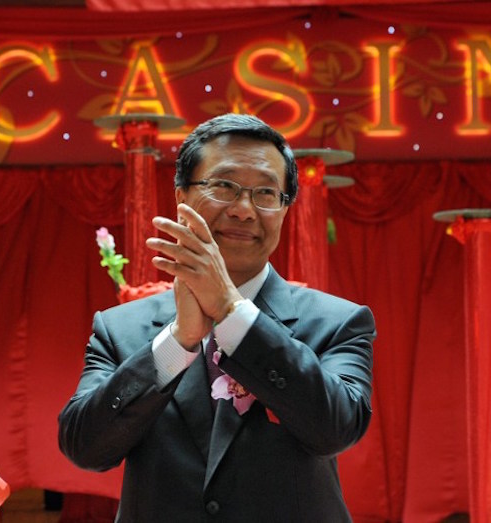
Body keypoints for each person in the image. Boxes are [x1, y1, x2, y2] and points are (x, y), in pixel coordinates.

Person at [58, 113, 376, 522]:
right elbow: (85, 448)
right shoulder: (120, 329)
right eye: (224, 186)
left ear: (283, 209)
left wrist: (232, 314)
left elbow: (335, 429)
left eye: (265, 193)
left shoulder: (338, 323)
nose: (244, 210)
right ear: (182, 197)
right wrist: (177, 342)